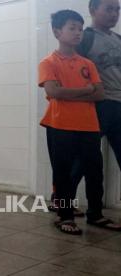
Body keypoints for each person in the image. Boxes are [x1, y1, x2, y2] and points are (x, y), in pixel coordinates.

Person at [39, 10, 113, 235]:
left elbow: (100, 94)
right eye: (72, 28)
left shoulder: (87, 64)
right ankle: (64, 216)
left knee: (94, 172)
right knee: (62, 173)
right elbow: (53, 91)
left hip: (89, 125)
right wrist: (85, 90)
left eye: (80, 29)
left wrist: (68, 92)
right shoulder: (48, 62)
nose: (78, 33)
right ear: (57, 32)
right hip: (59, 124)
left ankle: (95, 214)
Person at [69, 0, 121, 231]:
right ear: (92, 11)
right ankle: (64, 203)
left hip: (119, 105)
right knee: (84, 159)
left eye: (118, 9)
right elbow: (72, 70)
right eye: (108, 8)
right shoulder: (85, 38)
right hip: (98, 105)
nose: (114, 13)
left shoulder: (118, 40)